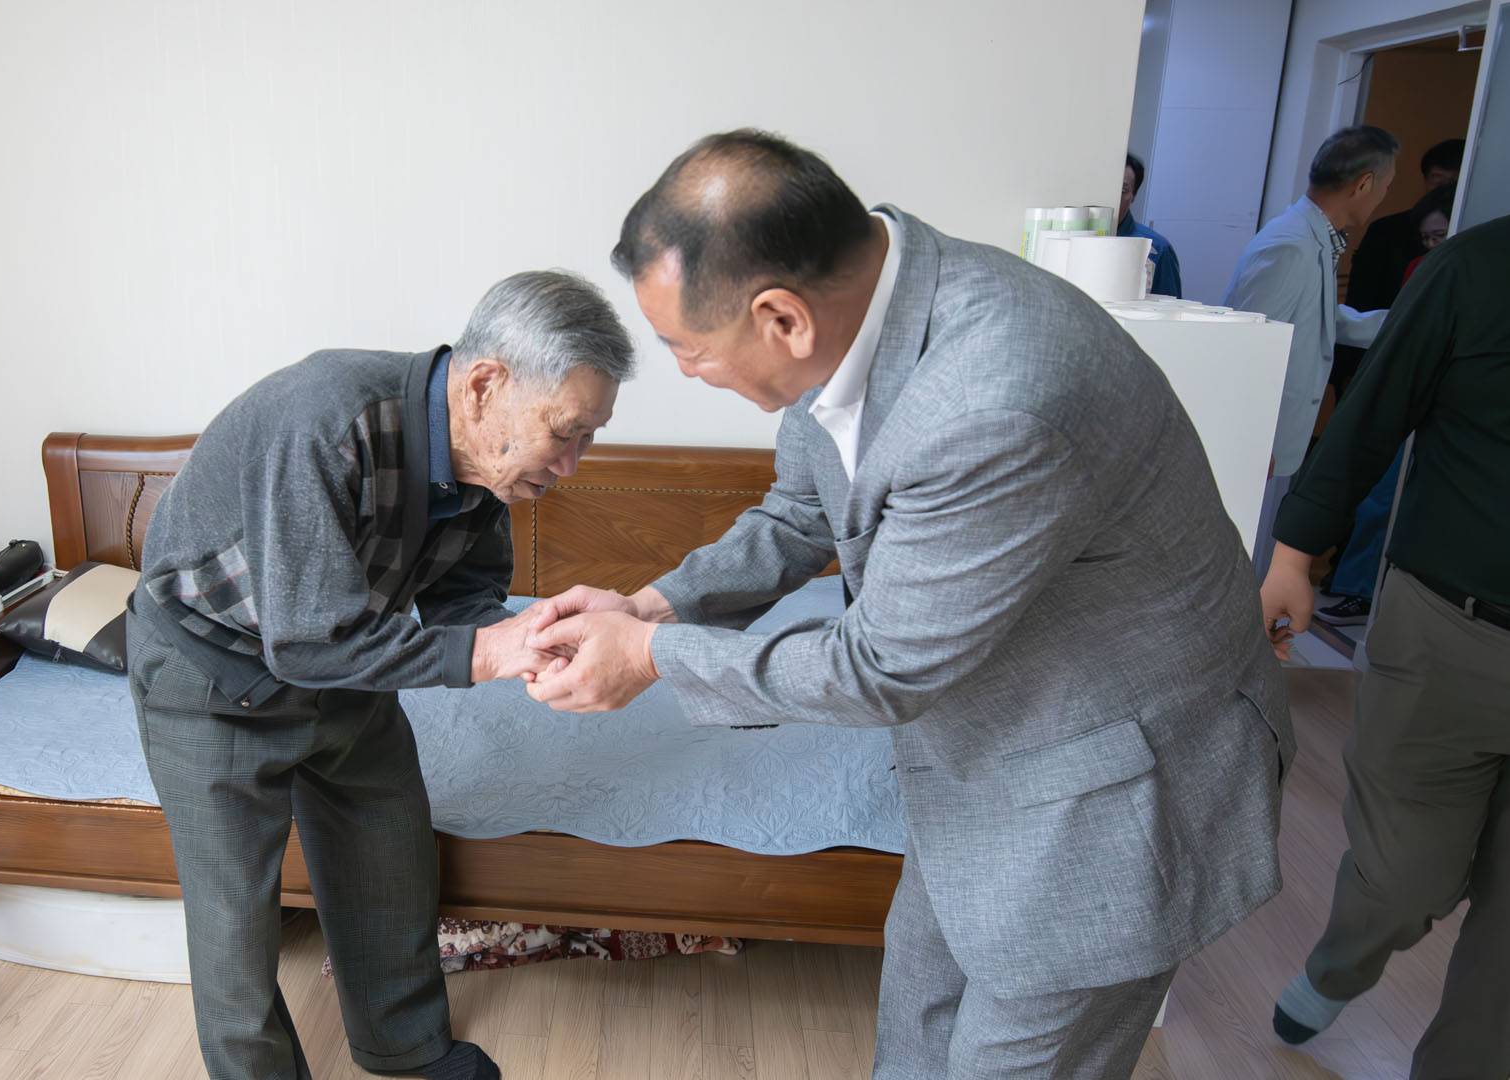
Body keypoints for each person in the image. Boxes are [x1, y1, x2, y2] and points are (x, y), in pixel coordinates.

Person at [523, 130, 1291, 1079]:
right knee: (918, 1035)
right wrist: (654, 608)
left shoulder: (996, 399)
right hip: (979, 758)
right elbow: (800, 512)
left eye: (687, 347)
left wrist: (648, 659)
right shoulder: (860, 313)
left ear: (781, 318)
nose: (685, 370)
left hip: (1108, 796)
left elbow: (880, 665)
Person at [128, 270, 634, 1080]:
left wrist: (533, 638)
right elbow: (305, 641)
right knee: (235, 927)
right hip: (213, 674)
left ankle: (407, 1050)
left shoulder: (485, 464)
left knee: (390, 859)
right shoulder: (328, 422)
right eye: (565, 433)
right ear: (484, 387)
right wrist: (485, 654)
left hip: (345, 664)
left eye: (589, 438)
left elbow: (465, 594)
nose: (572, 465)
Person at [1260, 214, 1510, 1080]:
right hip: (1451, 631)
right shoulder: (1476, 268)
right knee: (1405, 880)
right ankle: (1343, 963)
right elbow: (1373, 415)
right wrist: (1293, 556)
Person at [1224, 126, 1396, 577]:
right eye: (1386, 186)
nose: (1384, 198)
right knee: (1244, 559)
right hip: (1262, 442)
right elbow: (1250, 345)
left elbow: (1320, 317)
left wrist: (1404, 324)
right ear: (1364, 183)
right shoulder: (1292, 245)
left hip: (1276, 440)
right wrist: (1253, 437)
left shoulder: (1313, 238)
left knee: (1257, 559)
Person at [1317, 180, 1457, 627]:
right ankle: (1358, 588)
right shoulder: (1420, 269)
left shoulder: (1470, 274)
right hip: (1411, 393)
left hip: (1450, 406)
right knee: (1378, 495)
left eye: (1440, 236)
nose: (1432, 246)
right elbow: (1401, 332)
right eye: (1427, 239)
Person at [1344, 138, 1464, 314]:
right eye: (1437, 179)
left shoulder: (1475, 233)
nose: (1444, 188)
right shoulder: (1386, 230)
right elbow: (1360, 298)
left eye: (1454, 181)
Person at [1119, 152, 1183, 297]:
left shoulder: (1158, 248)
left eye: (1123, 190)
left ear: (1133, 196)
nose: (1114, 197)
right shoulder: (1073, 239)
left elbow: (1169, 306)